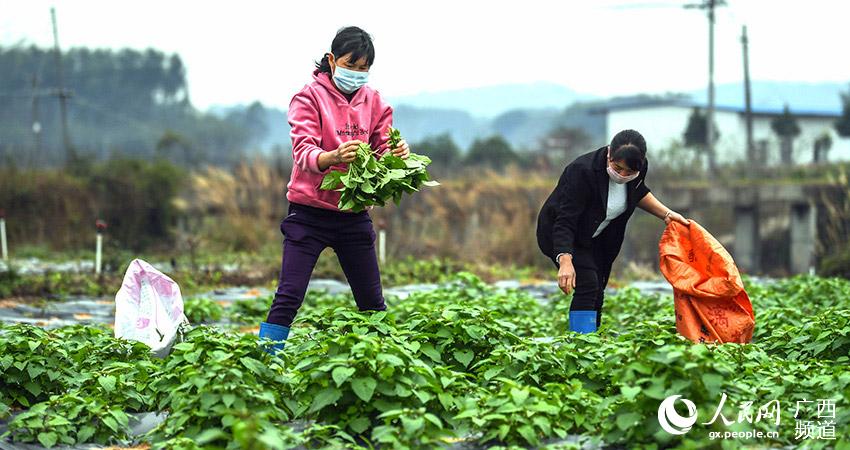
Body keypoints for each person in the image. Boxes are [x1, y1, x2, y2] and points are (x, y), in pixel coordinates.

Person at [259, 26, 410, 353]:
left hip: (353, 215)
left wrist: (397, 154)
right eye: (349, 65)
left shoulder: (376, 102)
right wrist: (333, 156)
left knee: (372, 303)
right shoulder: (308, 97)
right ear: (331, 59)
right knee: (289, 295)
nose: (356, 74)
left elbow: (383, 149)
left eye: (363, 68)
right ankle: (263, 364)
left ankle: (385, 363)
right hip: (308, 214)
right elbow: (303, 152)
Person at [536, 129, 690, 333]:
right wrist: (565, 260)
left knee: (598, 286)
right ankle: (580, 347)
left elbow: (637, 191)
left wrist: (667, 215)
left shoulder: (639, 168)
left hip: (598, 236)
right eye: (617, 168)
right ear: (609, 154)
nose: (622, 176)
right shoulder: (582, 171)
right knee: (588, 283)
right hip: (561, 234)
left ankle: (592, 340)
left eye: (629, 173)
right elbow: (565, 220)